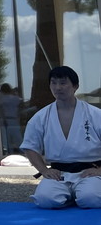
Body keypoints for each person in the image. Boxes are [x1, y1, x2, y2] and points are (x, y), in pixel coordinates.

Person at [19, 66, 101, 209]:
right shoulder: (41, 117)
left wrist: (100, 170)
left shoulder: (95, 114)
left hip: (89, 172)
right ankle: (72, 196)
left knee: (91, 198)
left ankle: (77, 194)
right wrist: (44, 170)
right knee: (45, 199)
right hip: (59, 174)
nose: (57, 87)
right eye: (53, 83)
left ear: (75, 86)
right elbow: (30, 147)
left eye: (63, 83)